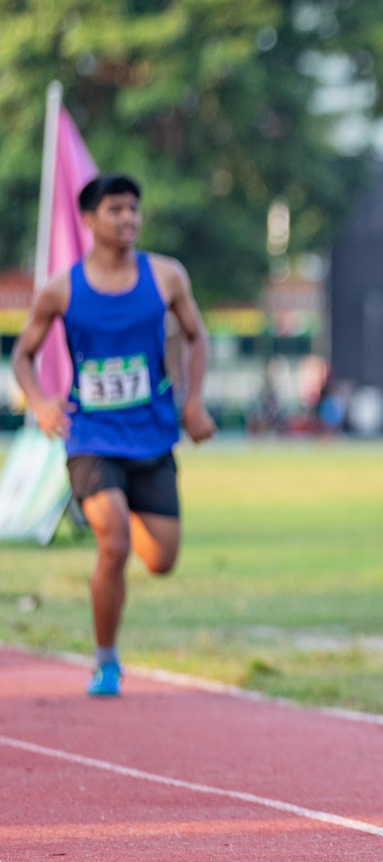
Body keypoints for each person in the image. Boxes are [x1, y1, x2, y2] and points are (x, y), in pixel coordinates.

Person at [11, 173, 216, 696]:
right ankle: (106, 661)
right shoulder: (62, 289)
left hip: (151, 435)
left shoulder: (166, 277)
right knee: (115, 543)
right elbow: (23, 354)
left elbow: (196, 335)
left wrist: (192, 402)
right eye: (115, 210)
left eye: (133, 209)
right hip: (91, 436)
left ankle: (113, 507)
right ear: (89, 219)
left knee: (162, 560)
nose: (128, 219)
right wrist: (38, 400)